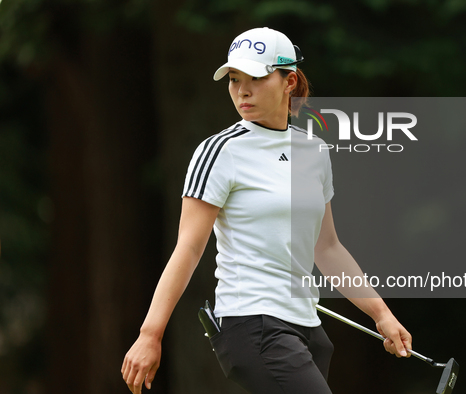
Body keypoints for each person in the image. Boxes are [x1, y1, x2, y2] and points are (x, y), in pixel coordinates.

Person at [121, 27, 412, 394]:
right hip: (252, 327)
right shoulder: (220, 151)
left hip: (307, 328)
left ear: (289, 81)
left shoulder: (314, 151)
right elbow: (189, 249)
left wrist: (381, 314)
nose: (242, 90)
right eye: (234, 79)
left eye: (255, 79)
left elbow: (328, 247)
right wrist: (150, 333)